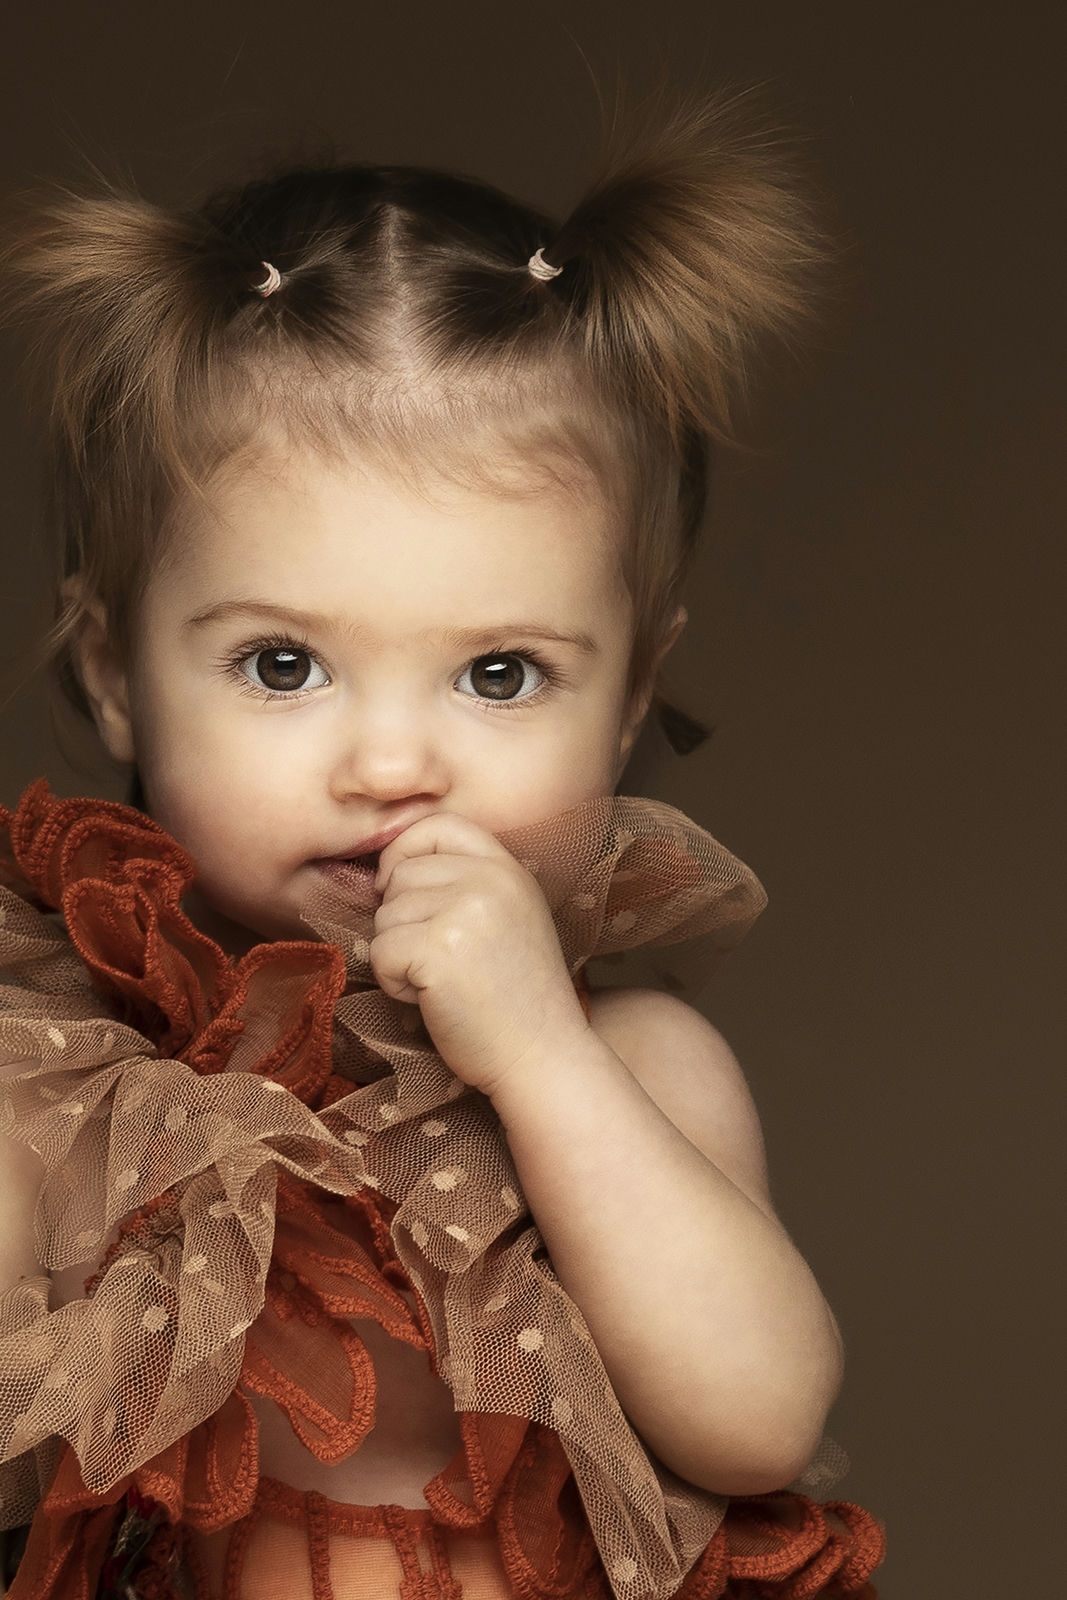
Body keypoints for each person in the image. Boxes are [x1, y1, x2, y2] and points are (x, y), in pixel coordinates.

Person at [0, 100, 884, 1599]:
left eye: (499, 673)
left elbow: (759, 1422)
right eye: (283, 666)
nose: (396, 768)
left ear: (629, 703)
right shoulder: (65, 1078)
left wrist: (541, 1057)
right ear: (110, 675)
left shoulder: (632, 1067)